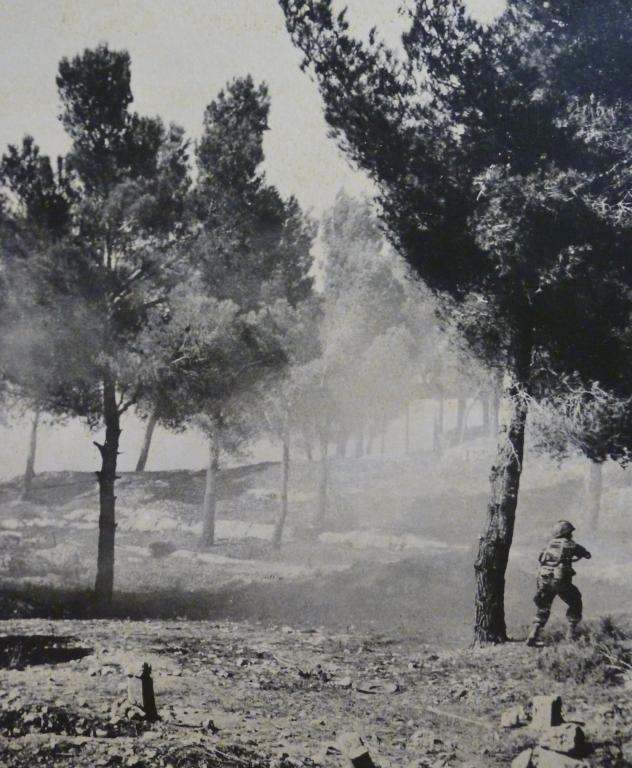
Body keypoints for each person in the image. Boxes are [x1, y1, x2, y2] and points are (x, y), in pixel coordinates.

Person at [526, 520, 591, 647]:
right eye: (570, 532)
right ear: (567, 533)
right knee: (575, 601)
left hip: (543, 580)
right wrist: (583, 555)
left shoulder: (548, 545)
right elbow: (586, 554)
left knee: (543, 607)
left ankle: (533, 634)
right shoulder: (570, 544)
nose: (571, 535)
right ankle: (571, 634)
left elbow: (541, 559)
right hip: (560, 581)